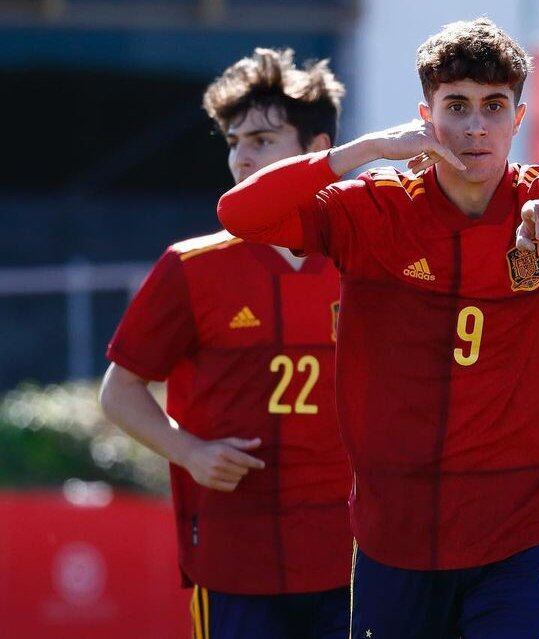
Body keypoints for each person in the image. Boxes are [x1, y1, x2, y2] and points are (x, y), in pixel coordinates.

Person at [218, 18, 539, 639]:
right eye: (456, 106)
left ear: (517, 116)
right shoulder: (373, 206)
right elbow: (239, 212)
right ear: (425, 115)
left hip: (520, 528)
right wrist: (364, 150)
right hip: (396, 534)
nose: (475, 126)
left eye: (493, 107)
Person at [99, 48, 352, 639]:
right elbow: (119, 392)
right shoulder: (190, 267)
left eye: (262, 139)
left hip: (356, 554)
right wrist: (187, 450)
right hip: (233, 556)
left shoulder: (365, 257)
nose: (241, 156)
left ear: (317, 152)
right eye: (234, 141)